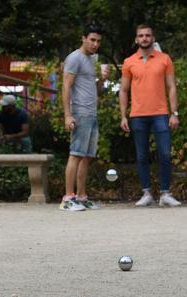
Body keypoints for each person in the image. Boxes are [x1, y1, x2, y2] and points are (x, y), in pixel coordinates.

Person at [119, 24, 182, 207]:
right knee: (141, 156)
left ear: (153, 38)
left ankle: (165, 193)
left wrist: (174, 113)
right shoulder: (129, 62)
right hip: (138, 115)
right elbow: (123, 90)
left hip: (161, 114)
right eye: (141, 35)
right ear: (136, 39)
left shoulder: (165, 59)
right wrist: (123, 116)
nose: (144, 38)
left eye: (147, 35)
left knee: (165, 154)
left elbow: (171, 87)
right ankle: (146, 193)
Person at [60, 25, 103, 212]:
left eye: (98, 41)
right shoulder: (74, 58)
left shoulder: (90, 60)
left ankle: (81, 196)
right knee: (76, 154)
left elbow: (94, 89)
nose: (95, 44)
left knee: (86, 157)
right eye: (92, 40)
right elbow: (66, 86)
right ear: (83, 38)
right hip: (80, 112)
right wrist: (67, 114)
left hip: (91, 113)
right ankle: (68, 198)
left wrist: (102, 79)